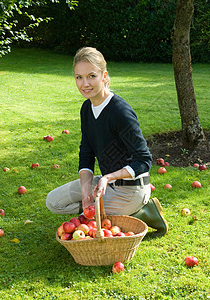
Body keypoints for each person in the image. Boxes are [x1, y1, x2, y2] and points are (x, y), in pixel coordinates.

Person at [46, 47, 168, 237]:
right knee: (53, 202)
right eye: (79, 77)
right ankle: (104, 210)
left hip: (131, 188)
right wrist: (86, 193)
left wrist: (107, 177)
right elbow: (86, 153)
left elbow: (144, 160)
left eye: (91, 76)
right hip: (107, 186)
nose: (84, 83)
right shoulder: (86, 109)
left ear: (104, 76)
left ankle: (143, 211)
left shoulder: (120, 112)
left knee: (86, 225)